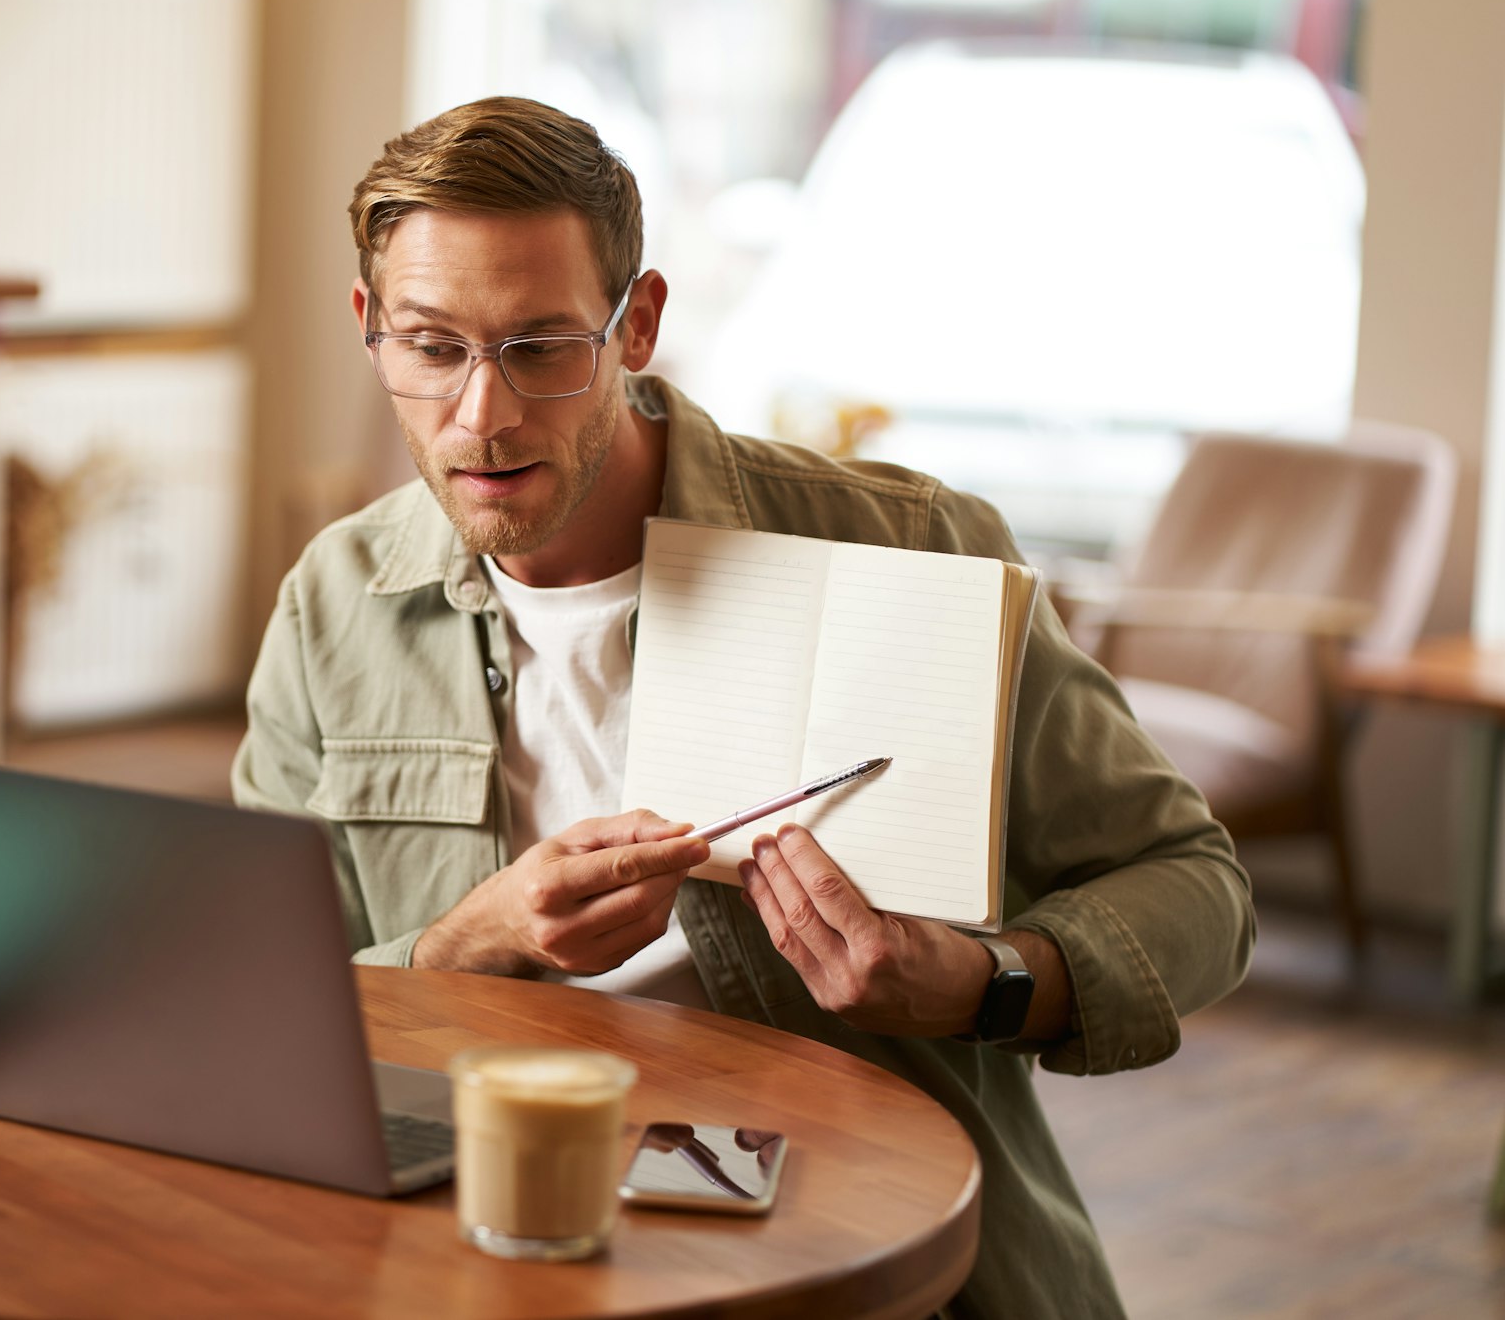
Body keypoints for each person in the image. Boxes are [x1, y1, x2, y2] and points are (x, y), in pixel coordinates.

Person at [233, 96, 1253, 1319]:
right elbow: (270, 1008)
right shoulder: (333, 601)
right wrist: (471, 946)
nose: (481, 415)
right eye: (433, 347)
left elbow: (1198, 886)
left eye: (542, 347)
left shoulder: (915, 547)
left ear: (639, 324)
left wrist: (982, 981)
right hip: (479, 1242)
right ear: (369, 329)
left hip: (863, 1255)